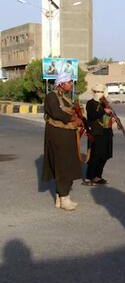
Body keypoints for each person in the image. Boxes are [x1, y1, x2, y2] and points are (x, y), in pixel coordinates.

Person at [42, 72, 83, 211]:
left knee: (66, 163)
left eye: (71, 82)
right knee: (62, 165)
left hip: (66, 135)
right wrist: (73, 119)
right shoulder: (51, 96)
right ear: (61, 83)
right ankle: (64, 198)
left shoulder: (63, 97)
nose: (71, 84)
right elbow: (56, 113)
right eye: (69, 82)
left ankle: (61, 198)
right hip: (57, 135)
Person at [83, 84, 114, 186]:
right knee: (95, 156)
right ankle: (88, 177)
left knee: (105, 155)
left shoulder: (105, 103)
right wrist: (103, 111)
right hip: (96, 133)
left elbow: (110, 115)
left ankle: (97, 176)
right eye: (96, 91)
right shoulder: (90, 103)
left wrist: (112, 119)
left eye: (100, 92)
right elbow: (92, 116)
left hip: (106, 132)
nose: (98, 94)